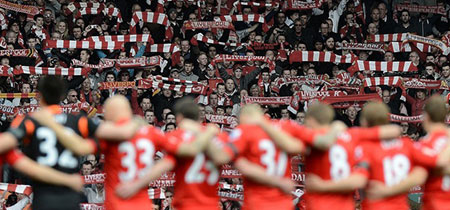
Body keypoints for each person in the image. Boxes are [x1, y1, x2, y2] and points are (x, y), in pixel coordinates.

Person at [34, 96, 216, 210]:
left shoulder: (110, 135)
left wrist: (52, 125)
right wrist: (209, 131)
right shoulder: (151, 133)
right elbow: (186, 151)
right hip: (143, 204)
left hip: (117, 202)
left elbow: (81, 148)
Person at [4, 76, 140, 210]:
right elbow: (121, 133)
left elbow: (5, 144)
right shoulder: (77, 121)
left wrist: (18, 161)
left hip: (43, 197)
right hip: (69, 197)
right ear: (63, 96)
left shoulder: (28, 121)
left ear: (39, 95)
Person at [257, 102, 401, 210]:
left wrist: (264, 125)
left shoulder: (310, 140)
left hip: (319, 204)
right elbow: (394, 130)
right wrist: (338, 128)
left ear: (312, 120)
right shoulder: (352, 135)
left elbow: (289, 146)